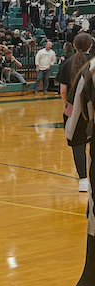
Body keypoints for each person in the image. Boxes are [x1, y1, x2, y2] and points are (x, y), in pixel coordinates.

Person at [59, 33, 93, 191]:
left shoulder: (67, 63)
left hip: (74, 108)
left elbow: (63, 90)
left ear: (74, 45)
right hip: (91, 107)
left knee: (78, 144)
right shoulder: (93, 62)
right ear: (90, 46)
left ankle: (83, 180)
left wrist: (66, 107)